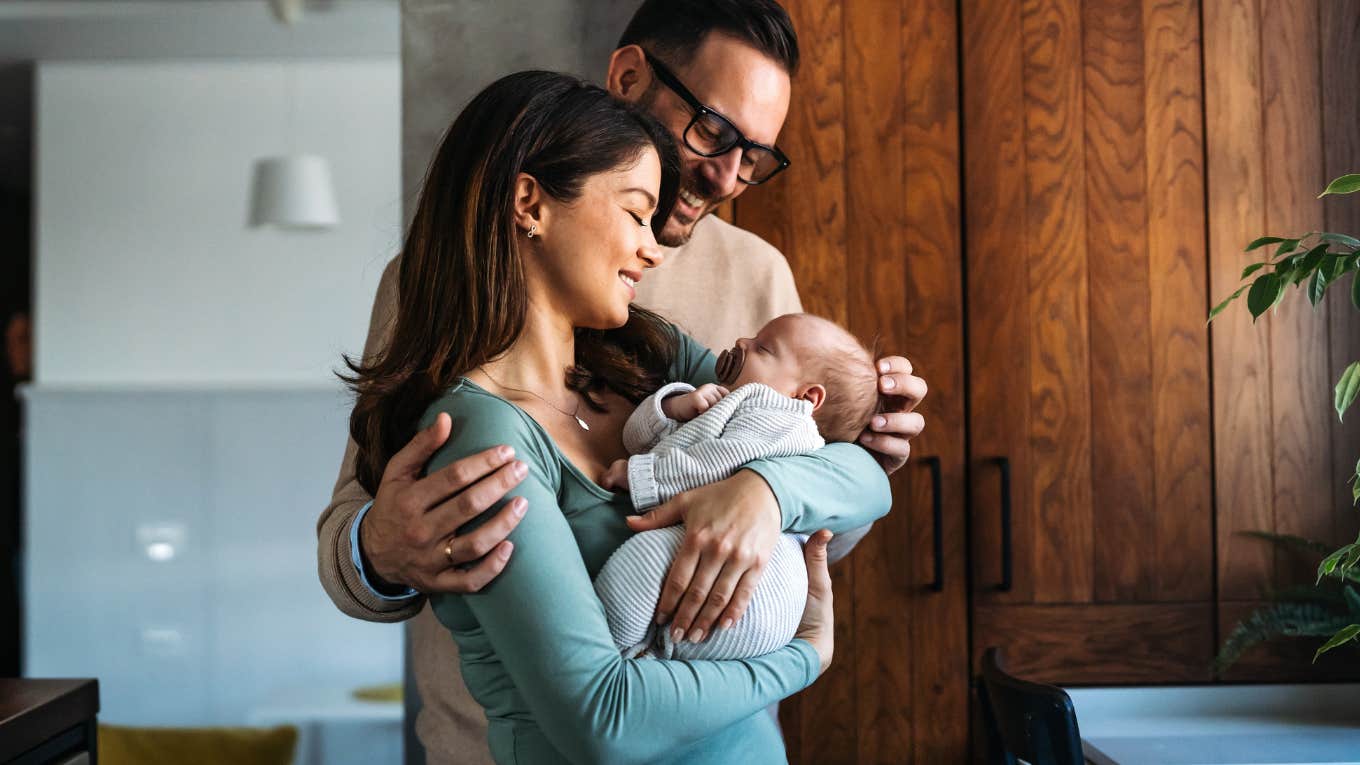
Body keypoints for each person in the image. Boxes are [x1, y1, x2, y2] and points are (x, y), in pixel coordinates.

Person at [316, 1, 929, 761]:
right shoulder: (439, 320)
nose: (729, 176)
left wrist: (776, 489)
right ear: (630, 76)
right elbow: (355, 522)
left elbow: (822, 501)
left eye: (756, 157)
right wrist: (380, 547)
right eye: (713, 131)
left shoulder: (678, 327)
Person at [594, 313, 880, 662]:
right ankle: (641, 656)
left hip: (757, 590)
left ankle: (608, 654)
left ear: (807, 396)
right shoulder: (737, 404)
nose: (742, 343)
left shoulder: (782, 418)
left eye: (763, 348)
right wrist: (673, 407)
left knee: (641, 563)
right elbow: (641, 440)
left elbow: (710, 466)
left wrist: (639, 476)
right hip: (748, 601)